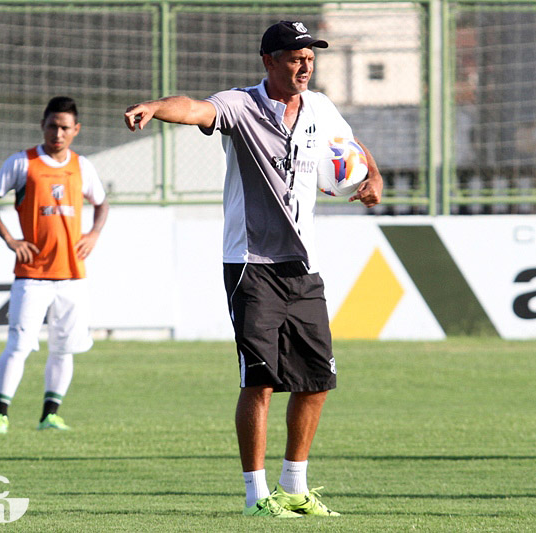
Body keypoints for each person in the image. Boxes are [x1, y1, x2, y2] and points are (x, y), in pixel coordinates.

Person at [124, 20, 382, 517]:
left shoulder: (321, 108)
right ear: (269, 61)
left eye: (310, 57)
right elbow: (195, 108)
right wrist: (156, 108)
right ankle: (255, 497)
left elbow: (350, 151)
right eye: (294, 56)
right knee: (260, 381)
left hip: (304, 266)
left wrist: (373, 176)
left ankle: (294, 487)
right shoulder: (241, 105)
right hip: (251, 264)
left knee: (316, 381)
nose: (305, 64)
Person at [0, 96, 109, 434]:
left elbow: (101, 203)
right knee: (19, 345)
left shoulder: (82, 166)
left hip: (72, 276)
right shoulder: (22, 163)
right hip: (33, 276)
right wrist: (11, 240)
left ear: (76, 130)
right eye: (52, 125)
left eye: (65, 127)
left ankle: (50, 415)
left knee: (65, 347)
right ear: (43, 125)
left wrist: (94, 234)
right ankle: (0, 415)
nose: (58, 133)